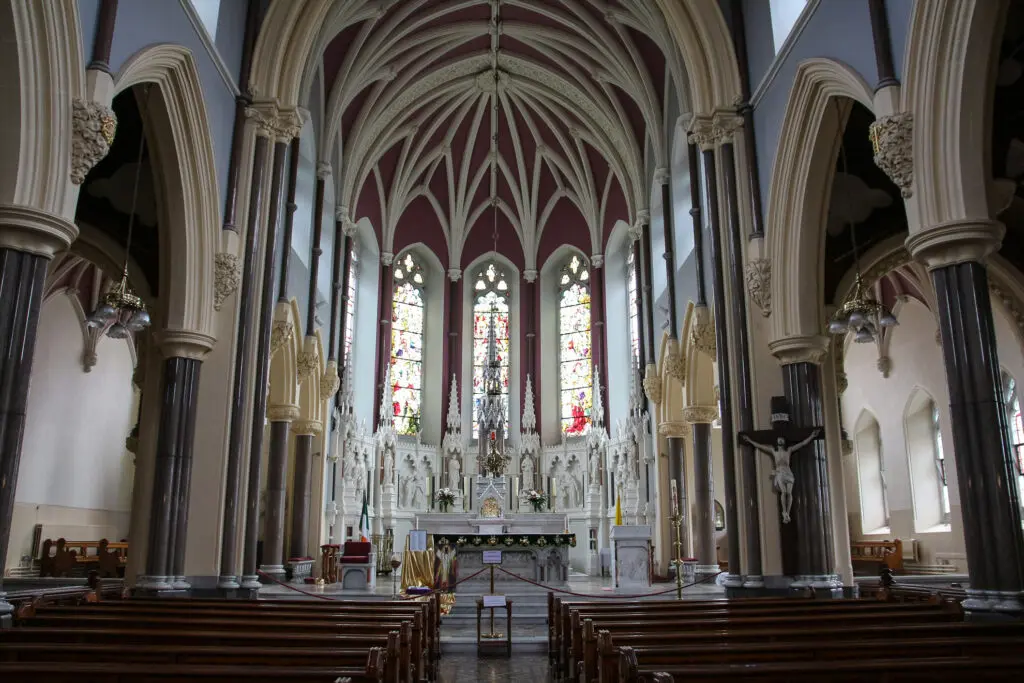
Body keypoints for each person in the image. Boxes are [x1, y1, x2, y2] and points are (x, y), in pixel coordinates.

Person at [741, 429, 820, 523]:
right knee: (783, 491)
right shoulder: (773, 451)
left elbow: (802, 444)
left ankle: (788, 512)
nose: (781, 440)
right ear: (777, 442)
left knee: (789, 493)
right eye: (779, 439)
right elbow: (760, 446)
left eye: (782, 439)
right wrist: (749, 440)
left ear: (784, 441)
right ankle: (784, 512)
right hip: (780, 472)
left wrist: (812, 436)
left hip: (788, 472)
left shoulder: (789, 450)